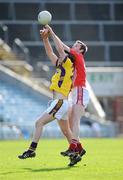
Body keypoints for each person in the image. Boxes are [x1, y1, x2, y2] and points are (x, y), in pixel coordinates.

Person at [18, 27, 81, 166]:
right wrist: (45, 39)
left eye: (64, 55)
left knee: (38, 123)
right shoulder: (64, 65)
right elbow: (50, 52)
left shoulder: (69, 63)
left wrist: (51, 33)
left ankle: (31, 150)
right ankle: (76, 154)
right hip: (61, 102)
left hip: (60, 102)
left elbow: (59, 49)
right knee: (66, 131)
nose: (61, 56)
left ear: (67, 58)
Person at [45, 25, 90, 166]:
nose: (74, 46)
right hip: (76, 92)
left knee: (75, 120)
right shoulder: (75, 60)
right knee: (71, 121)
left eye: (76, 45)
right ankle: (79, 148)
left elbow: (61, 46)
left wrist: (51, 32)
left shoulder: (78, 55)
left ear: (81, 50)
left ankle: (73, 147)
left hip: (80, 90)